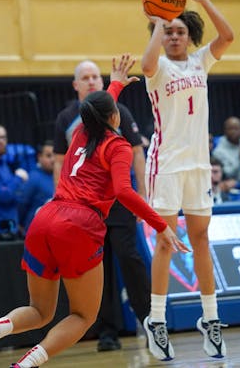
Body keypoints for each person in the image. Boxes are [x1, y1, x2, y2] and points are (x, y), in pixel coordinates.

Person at [0, 56, 188, 368]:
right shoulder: (118, 146)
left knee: (40, 310)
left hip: (45, 217)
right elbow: (123, 191)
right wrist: (160, 225)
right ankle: (23, 365)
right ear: (113, 116)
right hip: (79, 223)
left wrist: (117, 82)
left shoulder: (79, 134)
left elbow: (99, 108)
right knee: (82, 315)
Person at [142, 0, 235, 361]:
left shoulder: (201, 61)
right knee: (165, 242)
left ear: (189, 35)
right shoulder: (158, 67)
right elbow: (146, 64)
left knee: (201, 240)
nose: (174, 36)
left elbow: (228, 36)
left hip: (198, 167)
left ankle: (210, 319)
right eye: (169, 32)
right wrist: (157, 23)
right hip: (165, 166)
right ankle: (157, 321)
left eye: (180, 31)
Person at [52, 58, 150, 352]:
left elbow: (137, 152)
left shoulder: (119, 112)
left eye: (96, 76)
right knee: (97, 267)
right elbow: (59, 163)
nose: (93, 81)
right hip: (84, 207)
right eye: (86, 77)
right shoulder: (66, 119)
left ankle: (149, 321)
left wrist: (142, 193)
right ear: (76, 85)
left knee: (129, 258)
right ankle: (108, 332)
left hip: (118, 201)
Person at [19, 141, 55, 233]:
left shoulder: (62, 177)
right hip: (36, 231)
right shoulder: (33, 178)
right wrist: (21, 224)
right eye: (48, 156)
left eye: (55, 155)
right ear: (39, 157)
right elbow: (22, 204)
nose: (53, 159)